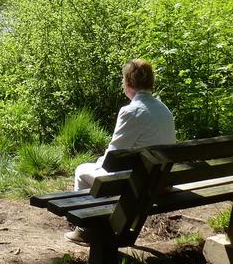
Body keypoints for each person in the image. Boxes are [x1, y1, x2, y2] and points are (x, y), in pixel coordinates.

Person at [67, 58, 175, 244]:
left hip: (140, 186)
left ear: (128, 83)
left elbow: (114, 157)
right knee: (100, 172)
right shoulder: (164, 109)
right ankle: (98, 223)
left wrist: (98, 163)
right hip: (162, 182)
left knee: (82, 170)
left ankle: (86, 229)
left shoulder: (131, 111)